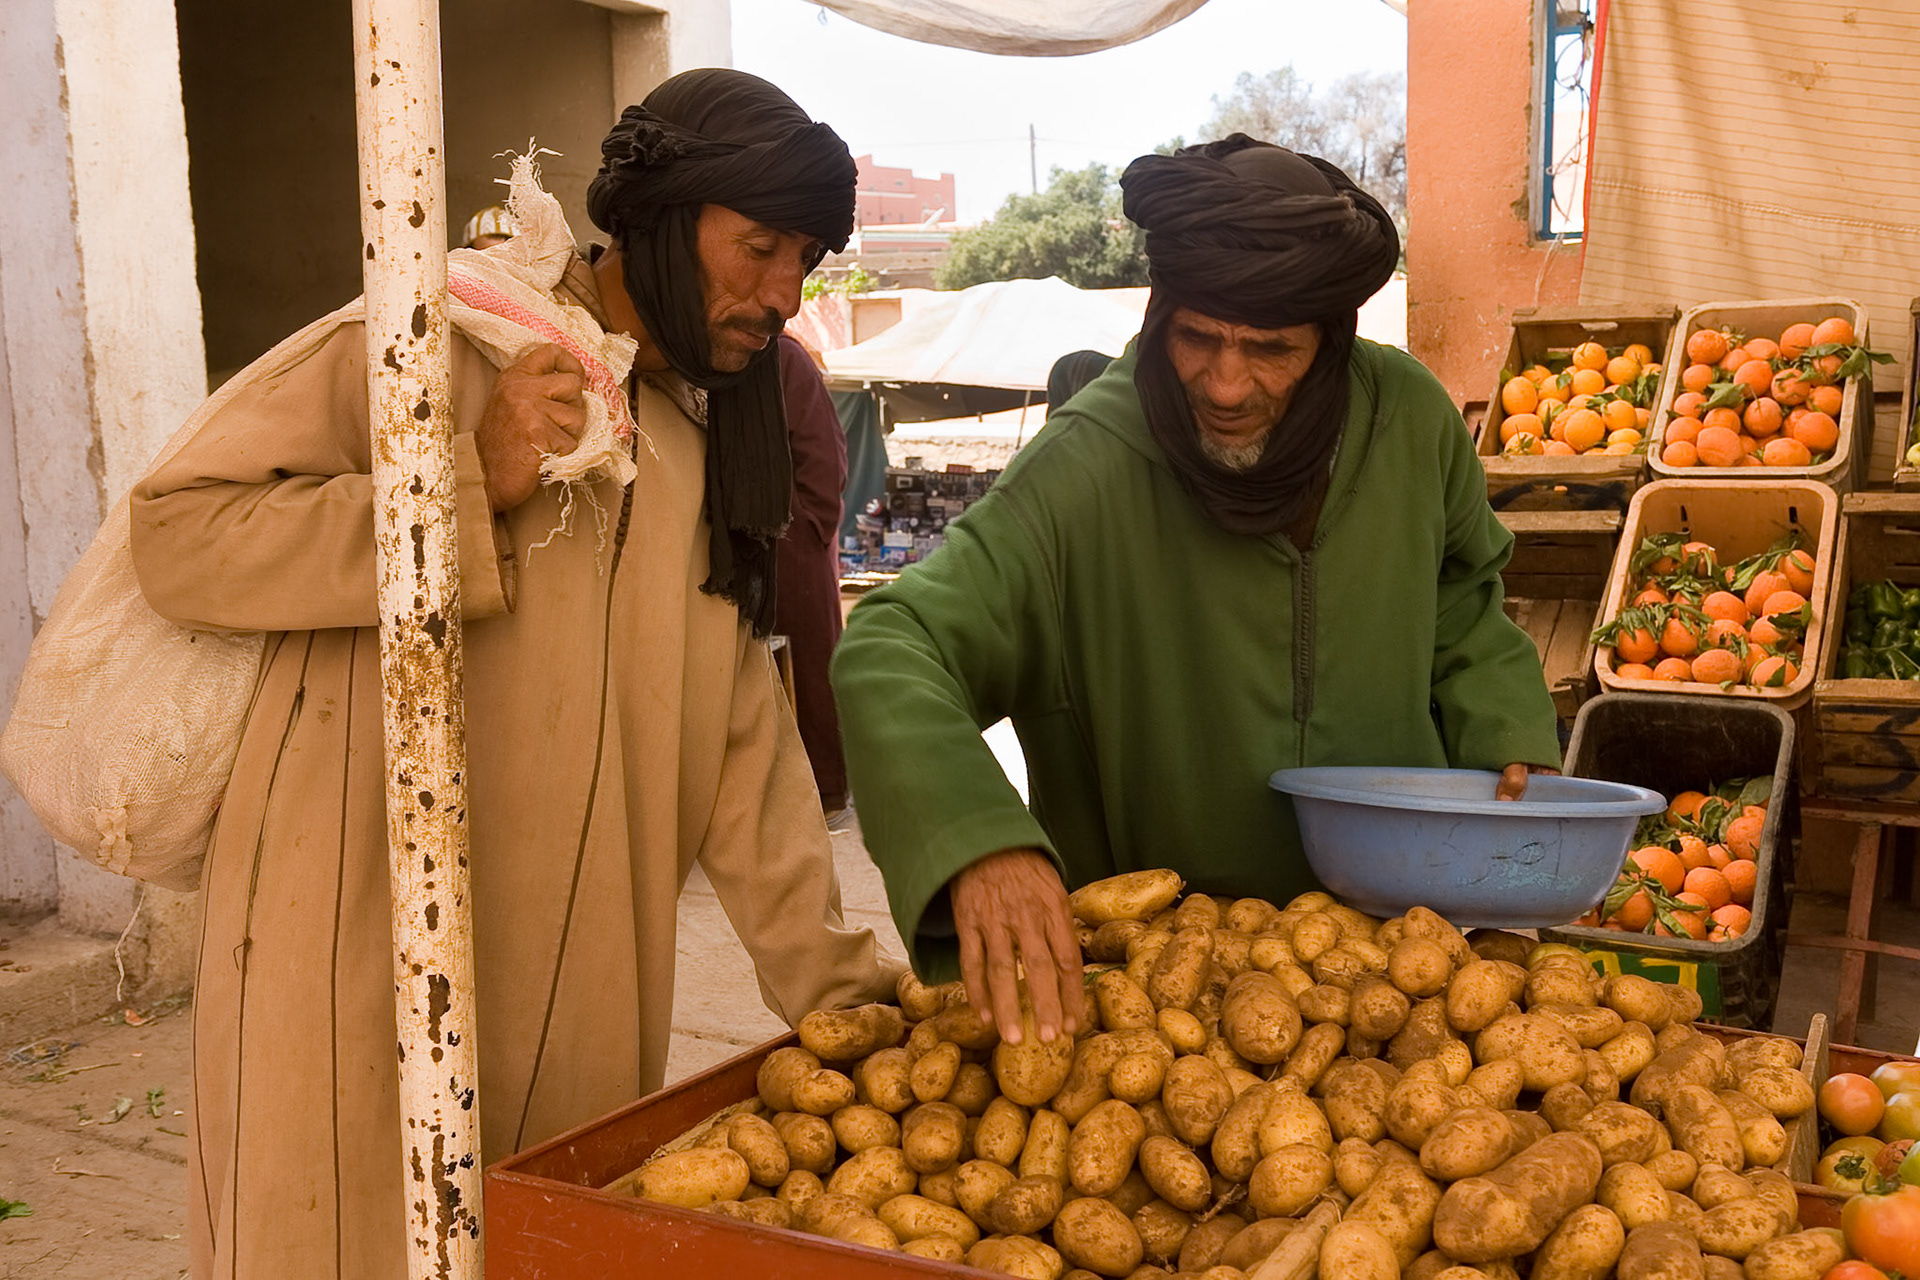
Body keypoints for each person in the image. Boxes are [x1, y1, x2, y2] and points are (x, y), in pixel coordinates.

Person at [130, 69, 899, 1280]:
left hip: (579, 1008)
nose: (780, 296)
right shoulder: (433, 337)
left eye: (803, 259)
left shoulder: (701, 450)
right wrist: (451, 483)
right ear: (657, 217)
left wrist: (855, 1003)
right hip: (353, 955)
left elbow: (746, 761)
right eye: (757, 248)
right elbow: (179, 533)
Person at [832, 136, 1561, 1047]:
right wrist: (980, 842)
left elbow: (1461, 596)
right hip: (1159, 1004)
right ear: (1160, 313)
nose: (1224, 384)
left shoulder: (1408, 419)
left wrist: (1506, 730)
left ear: (1331, 344)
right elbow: (893, 644)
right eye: (1198, 338)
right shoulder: (1089, 465)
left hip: (1386, 975)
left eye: (1270, 350)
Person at [775, 334, 852, 813]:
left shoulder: (785, 359)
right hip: (756, 548)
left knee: (809, 670)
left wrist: (808, 528)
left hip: (795, 545)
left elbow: (823, 453)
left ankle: (824, 787)